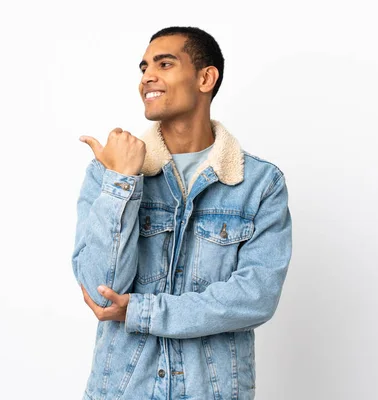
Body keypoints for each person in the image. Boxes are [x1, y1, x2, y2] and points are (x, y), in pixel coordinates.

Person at [72, 26, 292, 400]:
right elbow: (103, 294)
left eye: (164, 63)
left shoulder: (259, 183)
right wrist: (122, 182)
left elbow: (255, 297)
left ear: (206, 78)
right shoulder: (109, 171)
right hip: (123, 391)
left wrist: (143, 312)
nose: (147, 77)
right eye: (143, 68)